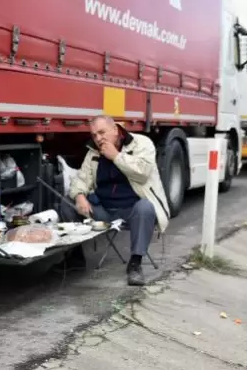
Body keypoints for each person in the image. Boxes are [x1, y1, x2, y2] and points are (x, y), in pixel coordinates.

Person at [61, 115, 170, 286]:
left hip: (131, 210)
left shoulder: (141, 143)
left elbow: (142, 173)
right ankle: (75, 258)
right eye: (94, 135)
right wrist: (80, 195)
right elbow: (81, 179)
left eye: (102, 132)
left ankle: (135, 264)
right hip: (104, 210)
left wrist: (116, 156)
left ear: (115, 129)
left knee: (145, 207)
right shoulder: (93, 152)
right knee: (67, 202)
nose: (98, 138)